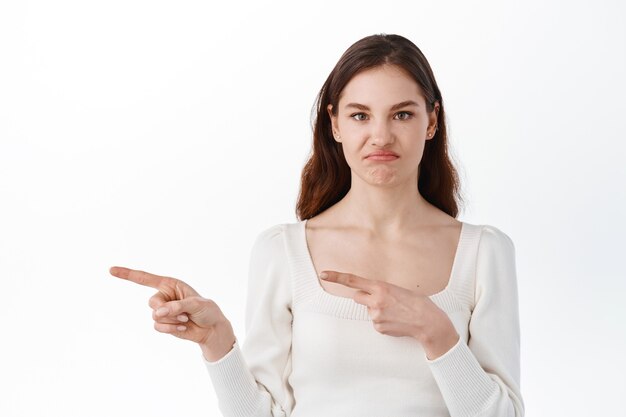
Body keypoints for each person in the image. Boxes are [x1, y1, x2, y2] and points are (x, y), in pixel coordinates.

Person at [110, 33, 524, 417]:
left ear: (431, 121)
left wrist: (436, 331)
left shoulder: (483, 252)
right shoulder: (283, 251)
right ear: (335, 124)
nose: (381, 136)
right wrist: (216, 341)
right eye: (360, 115)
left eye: (401, 114)